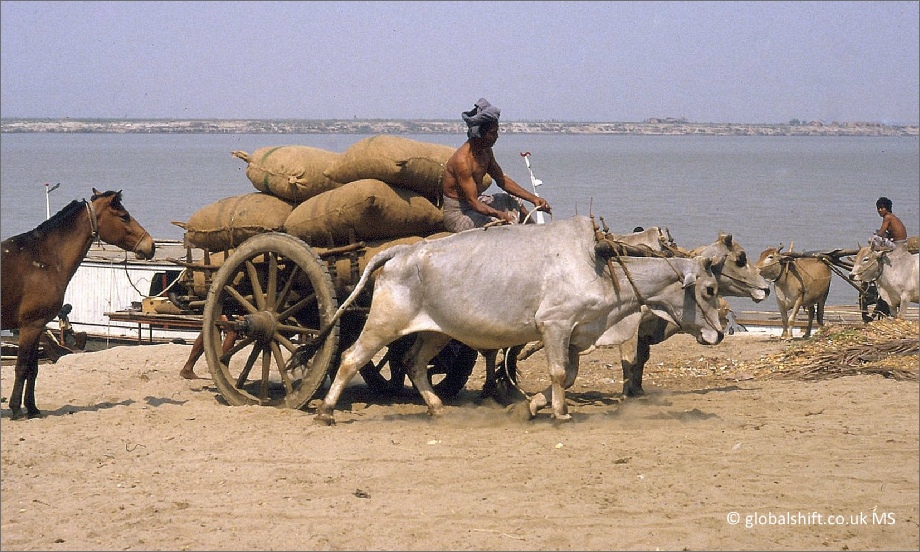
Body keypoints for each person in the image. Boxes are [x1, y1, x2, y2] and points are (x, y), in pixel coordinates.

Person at [441, 98, 551, 232]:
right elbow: (473, 202)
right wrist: (500, 215)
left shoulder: (486, 152)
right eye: (492, 133)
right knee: (498, 224)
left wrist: (534, 199)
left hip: (476, 205)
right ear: (479, 133)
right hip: (459, 214)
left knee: (513, 200)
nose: (497, 137)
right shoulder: (462, 161)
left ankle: (534, 233)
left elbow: (502, 180)